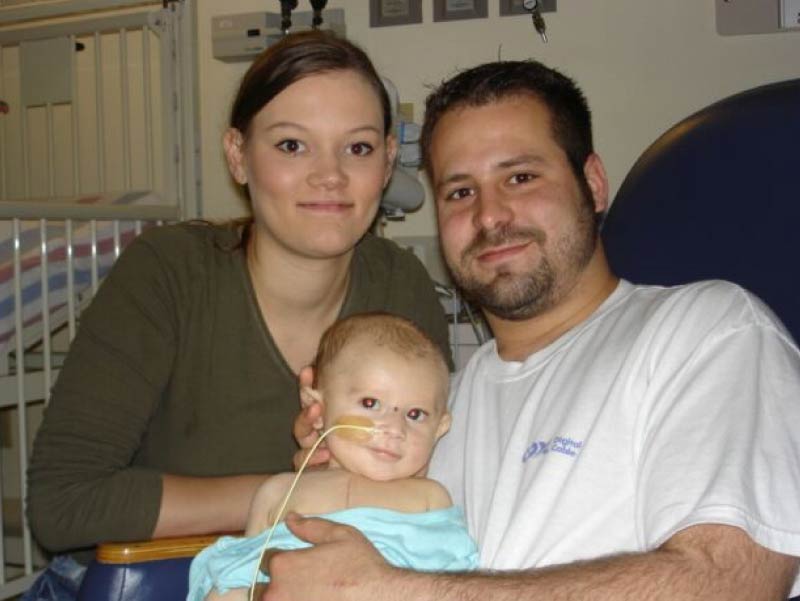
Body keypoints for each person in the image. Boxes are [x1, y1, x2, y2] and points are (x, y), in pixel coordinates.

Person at [275, 60, 800, 600]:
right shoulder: (440, 407)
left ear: (592, 184)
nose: (490, 216)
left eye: (520, 177)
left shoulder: (706, 332)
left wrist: (395, 590)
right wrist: (340, 485)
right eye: (460, 192)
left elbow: (731, 581)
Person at [22, 31, 450, 600]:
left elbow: (434, 479)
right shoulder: (169, 274)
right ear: (237, 155)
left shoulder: (401, 288)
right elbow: (64, 503)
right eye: (292, 145)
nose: (330, 175)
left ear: (389, 161)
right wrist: (294, 491)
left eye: (358, 148)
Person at [187, 312, 477, 600]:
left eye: (415, 414)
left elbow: (450, 582)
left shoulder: (429, 498)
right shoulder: (280, 492)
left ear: (440, 428)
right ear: (317, 410)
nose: (394, 428)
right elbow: (235, 575)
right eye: (370, 403)